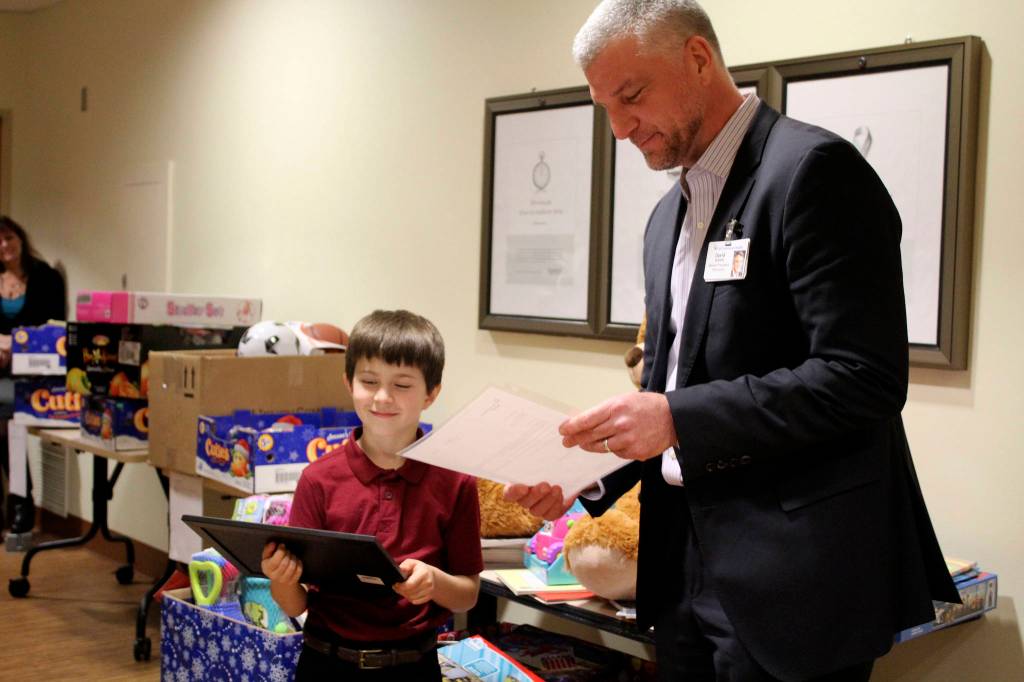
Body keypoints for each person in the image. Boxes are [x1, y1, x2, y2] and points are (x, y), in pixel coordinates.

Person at [505, 2, 959, 680]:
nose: (621, 128)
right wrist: (586, 475)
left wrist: (673, 417)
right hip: (679, 567)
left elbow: (862, 377)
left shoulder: (812, 172)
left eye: (632, 95)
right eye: (606, 108)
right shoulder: (666, 219)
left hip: (793, 578)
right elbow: (674, 388)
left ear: (697, 58)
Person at [261, 309, 482, 680]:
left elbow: (468, 594)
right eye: (368, 381)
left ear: (431, 394)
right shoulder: (318, 479)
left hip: (414, 665)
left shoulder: (456, 482)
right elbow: (295, 604)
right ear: (349, 383)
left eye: (402, 385)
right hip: (325, 662)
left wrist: (434, 582)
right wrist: (281, 577)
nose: (382, 397)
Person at [0, 215, 67, 533]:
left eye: (9, 238)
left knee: (5, 414)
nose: (4, 245)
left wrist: (15, 343)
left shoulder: (46, 277)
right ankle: (16, 502)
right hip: (1, 367)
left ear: (21, 239)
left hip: (35, 372)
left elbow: (54, 330)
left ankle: (20, 502)